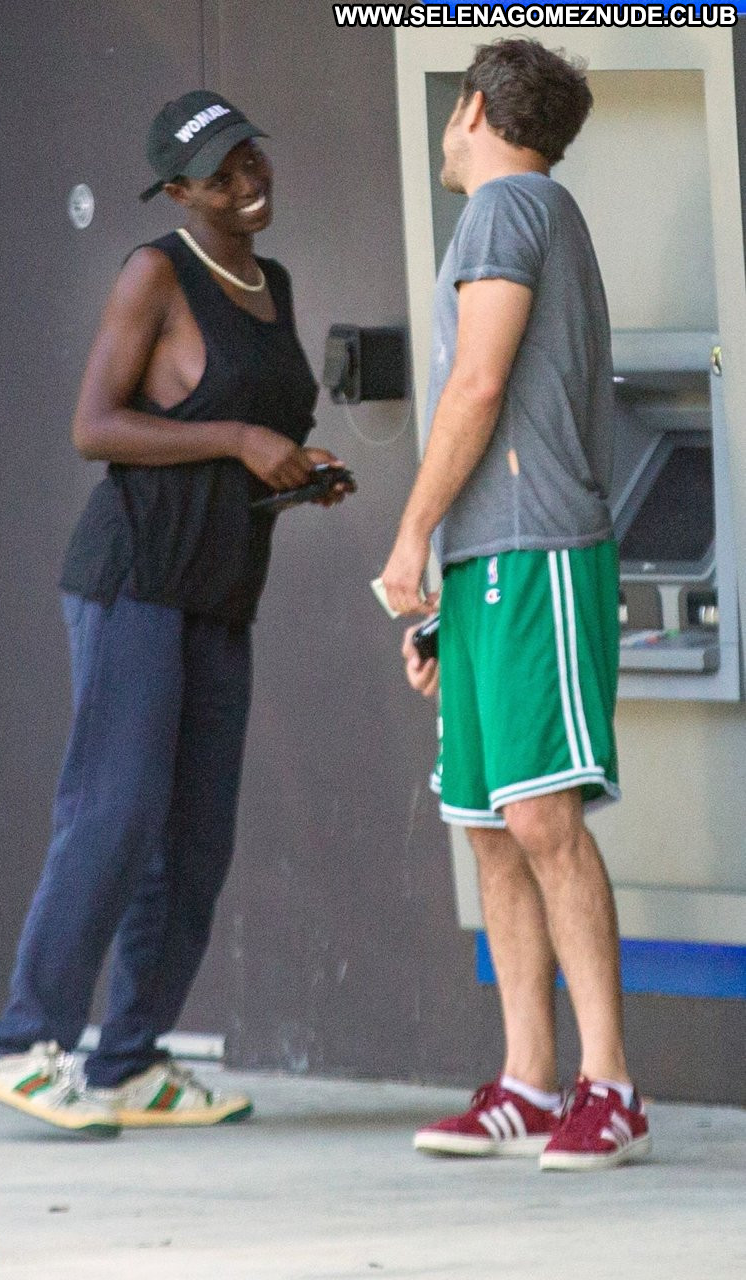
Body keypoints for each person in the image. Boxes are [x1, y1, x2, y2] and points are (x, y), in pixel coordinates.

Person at [0, 90, 350, 1135]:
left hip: (220, 588)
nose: (248, 182)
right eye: (221, 174)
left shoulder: (271, 282)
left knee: (196, 837)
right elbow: (96, 427)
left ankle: (128, 1060)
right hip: (133, 577)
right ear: (179, 192)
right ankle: (20, 1040)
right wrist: (237, 440)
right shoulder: (155, 272)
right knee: (116, 809)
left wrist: (297, 467)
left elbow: (252, 428)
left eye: (251, 158)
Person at [380, 40, 650, 1171]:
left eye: (452, 114)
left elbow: (476, 385)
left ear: (476, 109)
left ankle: (609, 1085)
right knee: (489, 823)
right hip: (491, 562)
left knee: (540, 818)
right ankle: (529, 1082)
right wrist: (445, 590)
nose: (445, 135)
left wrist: (410, 533)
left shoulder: (504, 210)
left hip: (536, 553)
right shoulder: (533, 213)